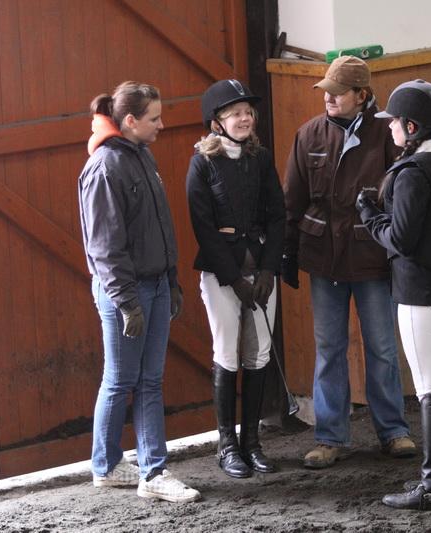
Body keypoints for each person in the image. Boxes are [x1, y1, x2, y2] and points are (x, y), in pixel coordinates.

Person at [282, 55, 415, 468]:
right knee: (329, 349)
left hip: (373, 258)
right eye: (326, 91)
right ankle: (330, 438)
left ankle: (393, 432)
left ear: (362, 95)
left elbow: (400, 200)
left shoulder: (387, 136)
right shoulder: (308, 135)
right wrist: (288, 253)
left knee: (382, 348)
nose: (329, 98)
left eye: (338, 93)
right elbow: (293, 200)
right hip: (325, 260)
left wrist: (398, 252)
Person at [78, 81, 201, 503]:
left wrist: (171, 279)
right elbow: (104, 247)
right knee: (122, 380)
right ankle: (149, 472)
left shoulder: (141, 155)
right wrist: (127, 302)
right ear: (130, 120)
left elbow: (159, 225)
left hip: (156, 284)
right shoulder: (105, 167)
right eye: (154, 118)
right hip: (127, 292)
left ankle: (112, 465)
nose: (161, 125)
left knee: (147, 380)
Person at [356, 79, 431, 510]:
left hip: (422, 294)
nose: (389, 127)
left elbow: (401, 240)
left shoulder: (411, 174)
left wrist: (370, 215)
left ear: (411, 126)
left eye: (394, 122)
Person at [185, 79, 285, 478]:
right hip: (221, 274)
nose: (244, 119)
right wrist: (234, 279)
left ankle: (252, 443)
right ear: (217, 122)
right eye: (235, 114)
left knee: (259, 354)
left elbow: (277, 216)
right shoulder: (202, 164)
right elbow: (203, 227)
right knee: (227, 354)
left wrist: (268, 269)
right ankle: (227, 445)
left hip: (260, 271)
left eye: (248, 113)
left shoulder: (260, 158)